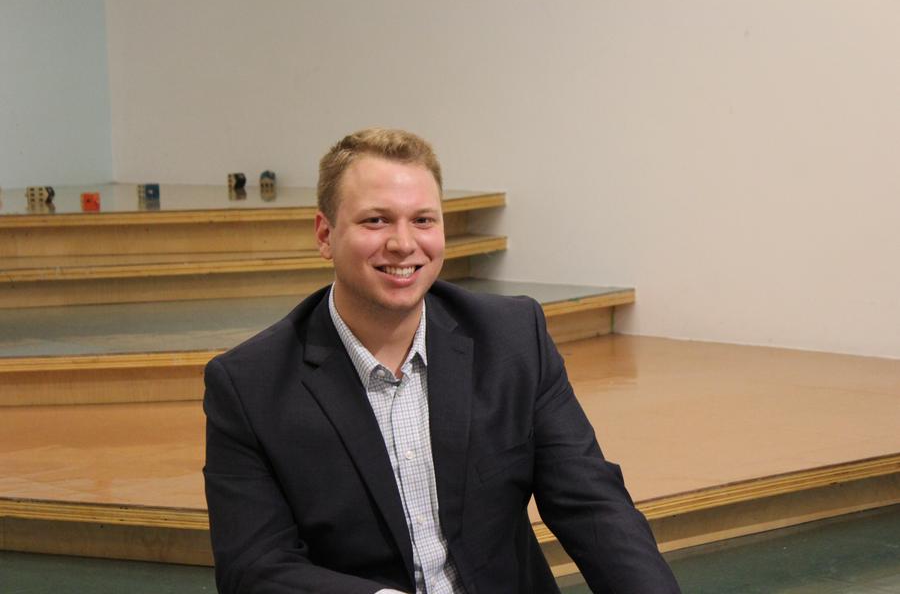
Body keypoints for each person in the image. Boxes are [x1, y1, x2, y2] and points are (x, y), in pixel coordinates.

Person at [203, 128, 681, 594]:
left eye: (423, 220)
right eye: (376, 221)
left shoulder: (512, 338)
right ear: (325, 235)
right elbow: (255, 567)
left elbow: (593, 505)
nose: (403, 244)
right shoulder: (250, 385)